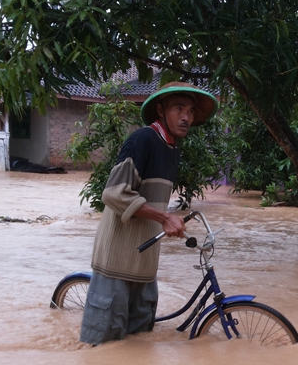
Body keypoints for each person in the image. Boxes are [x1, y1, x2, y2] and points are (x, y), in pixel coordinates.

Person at [79, 81, 218, 346]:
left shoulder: (172, 149)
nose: (186, 116)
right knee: (103, 348)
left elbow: (151, 198)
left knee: (139, 343)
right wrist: (165, 217)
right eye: (179, 108)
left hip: (145, 263)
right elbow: (114, 193)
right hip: (117, 263)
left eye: (190, 110)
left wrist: (174, 217)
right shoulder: (142, 140)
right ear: (160, 109)